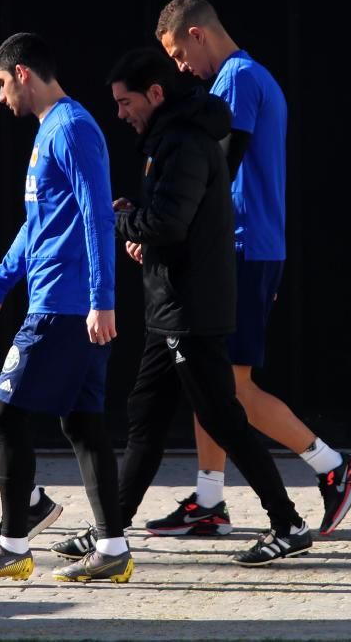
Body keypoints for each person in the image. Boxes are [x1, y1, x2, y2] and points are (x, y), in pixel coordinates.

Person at [54, 46, 313, 567]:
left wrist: (117, 221)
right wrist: (137, 217)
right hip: (171, 306)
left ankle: (288, 523)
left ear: (155, 93)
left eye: (126, 103)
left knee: (223, 418)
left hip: (189, 311)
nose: (120, 113)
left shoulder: (185, 142)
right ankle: (111, 529)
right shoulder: (171, 138)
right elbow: (171, 216)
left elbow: (170, 224)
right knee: (146, 420)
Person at [149, 0, 351, 538]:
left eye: (179, 53)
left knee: (231, 387)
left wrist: (162, 220)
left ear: (199, 34)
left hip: (245, 250)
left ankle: (335, 467)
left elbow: (217, 170)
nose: (179, 67)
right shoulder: (238, 80)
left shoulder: (239, 79)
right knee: (206, 378)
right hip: (237, 249)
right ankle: (208, 502)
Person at [0, 32, 133, 584]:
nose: (2, 97)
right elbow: (39, 226)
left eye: (4, 84)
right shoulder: (48, 132)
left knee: (2, 416)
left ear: (23, 73)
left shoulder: (72, 128)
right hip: (58, 302)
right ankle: (113, 547)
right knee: (83, 423)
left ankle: (11, 545)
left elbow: (97, 216)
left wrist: (102, 301)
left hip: (65, 308)